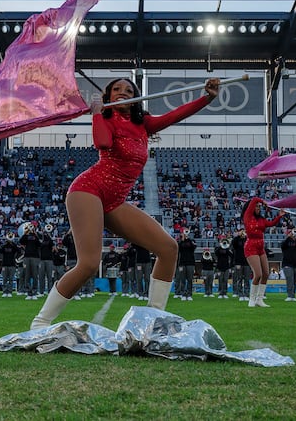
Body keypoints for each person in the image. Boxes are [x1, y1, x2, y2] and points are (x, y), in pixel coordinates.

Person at [31, 77, 221, 329]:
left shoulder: (143, 125)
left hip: (115, 200)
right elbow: (102, 143)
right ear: (108, 96)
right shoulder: (106, 120)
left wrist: (207, 98)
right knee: (88, 263)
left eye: (129, 90)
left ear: (136, 98)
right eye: (117, 89)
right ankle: (40, 323)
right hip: (88, 190)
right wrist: (98, 114)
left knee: (168, 248)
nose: (123, 93)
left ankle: (154, 320)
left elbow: (176, 115)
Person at [243, 197, 285, 307]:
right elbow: (254, 199)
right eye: (256, 207)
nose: (258, 208)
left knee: (266, 273)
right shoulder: (248, 216)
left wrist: (279, 216)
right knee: (258, 274)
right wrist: (263, 201)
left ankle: (259, 299)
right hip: (251, 246)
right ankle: (251, 299)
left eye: (259, 207)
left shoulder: (261, 219)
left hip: (260, 247)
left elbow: (271, 224)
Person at [280, 231, 296, 301]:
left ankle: (293, 295)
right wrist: (288, 238)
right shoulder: (285, 242)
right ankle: (289, 295)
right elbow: (282, 246)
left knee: (294, 281)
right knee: (290, 279)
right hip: (287, 263)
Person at [230, 229, 249, 301]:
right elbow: (233, 245)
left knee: (247, 279)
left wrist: (246, 237)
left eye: (243, 231)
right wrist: (238, 236)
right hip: (238, 262)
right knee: (239, 279)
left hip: (247, 262)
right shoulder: (236, 240)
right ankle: (240, 294)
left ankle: (246, 294)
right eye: (241, 231)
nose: (242, 232)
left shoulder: (247, 239)